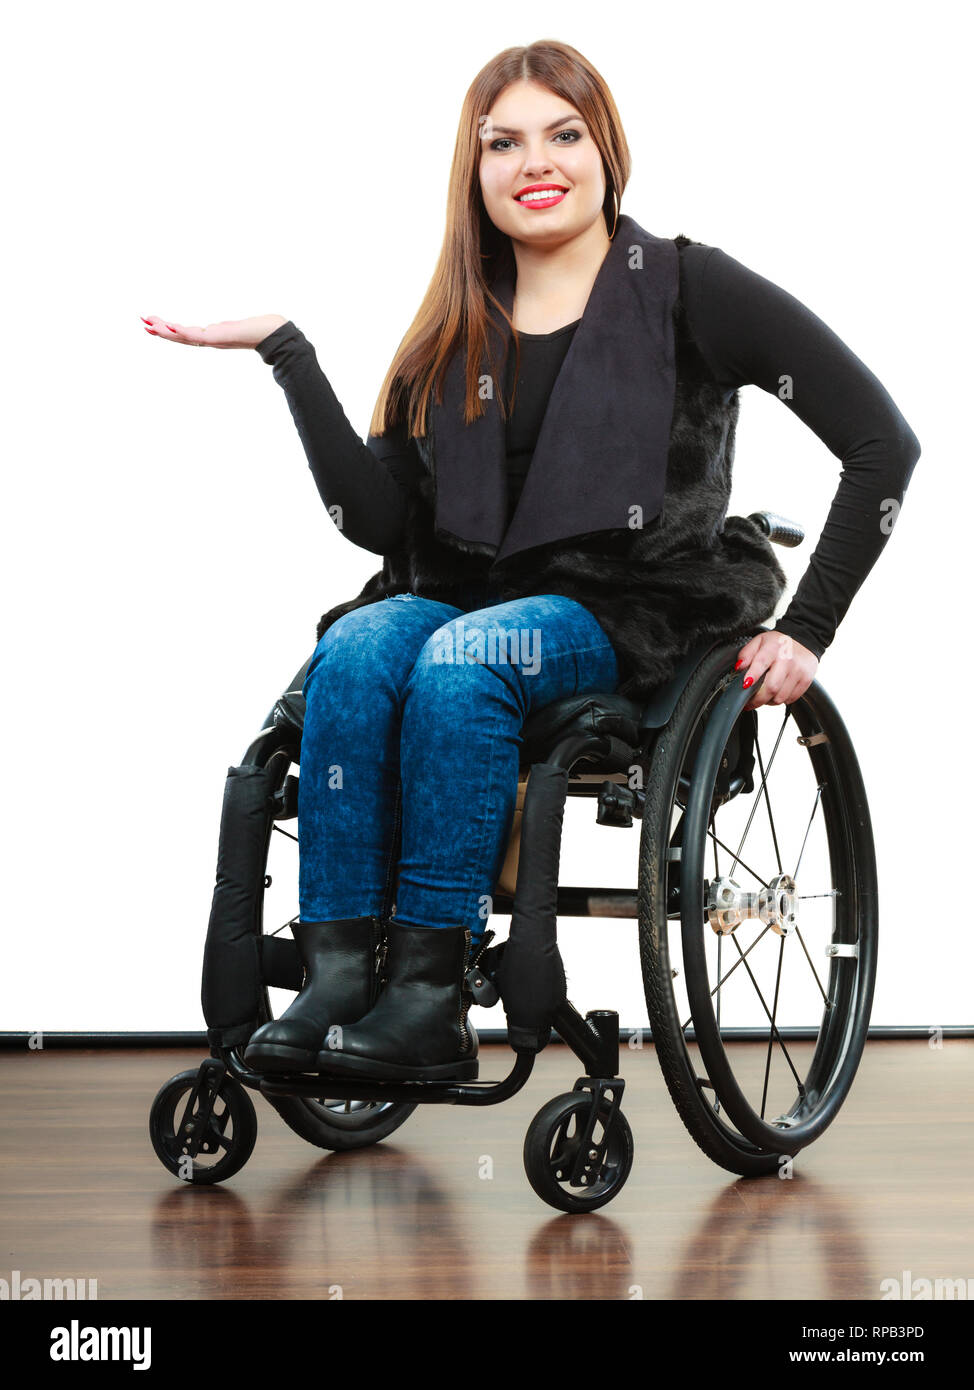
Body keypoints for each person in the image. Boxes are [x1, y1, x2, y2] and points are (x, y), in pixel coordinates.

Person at [143, 40, 920, 1085]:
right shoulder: (455, 320)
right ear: (474, 172)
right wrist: (289, 353)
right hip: (467, 599)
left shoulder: (689, 286)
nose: (531, 162)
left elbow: (881, 444)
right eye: (500, 143)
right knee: (362, 644)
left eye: (560, 133)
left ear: (604, 147)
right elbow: (377, 524)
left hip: (626, 609)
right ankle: (338, 975)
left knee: (468, 655)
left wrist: (808, 628)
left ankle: (430, 990)